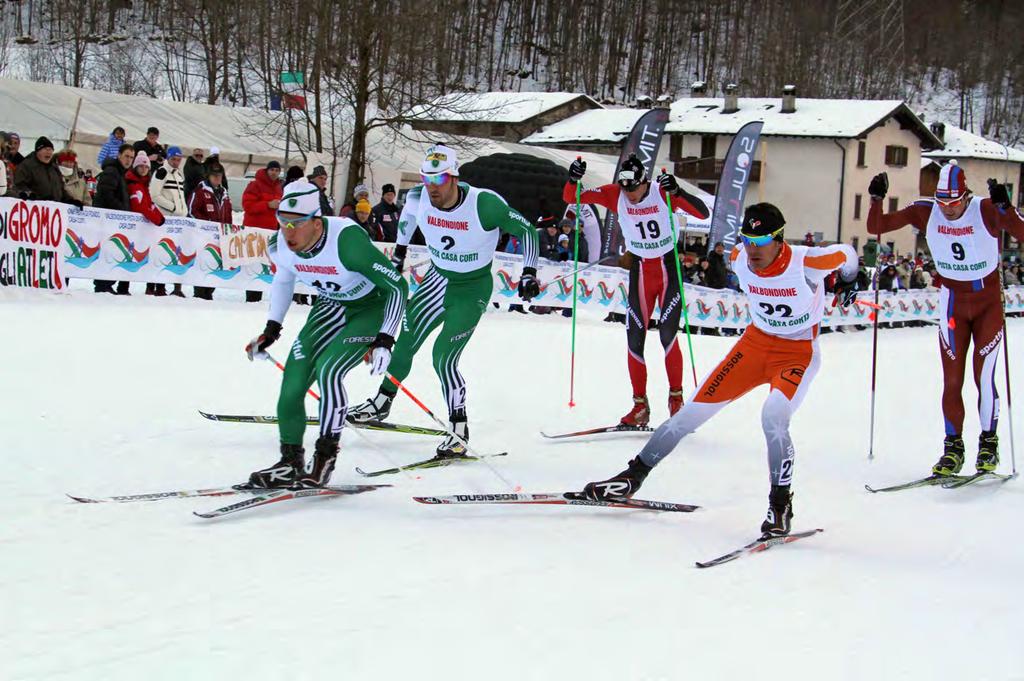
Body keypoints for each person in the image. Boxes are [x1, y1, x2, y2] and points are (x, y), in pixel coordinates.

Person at [581, 203, 859, 538]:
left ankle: (780, 505)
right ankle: (632, 477)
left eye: (761, 241)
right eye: (747, 239)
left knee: (773, 417)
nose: (752, 249)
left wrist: (850, 279)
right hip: (753, 347)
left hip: (796, 354)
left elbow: (847, 253)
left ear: (780, 239)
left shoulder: (806, 262)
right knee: (687, 416)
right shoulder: (740, 257)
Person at [348, 144, 541, 458]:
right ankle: (382, 402)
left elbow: (527, 230)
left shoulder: (484, 204)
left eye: (438, 180)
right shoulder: (418, 196)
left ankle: (459, 429)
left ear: (453, 177)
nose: (431, 187)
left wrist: (529, 272)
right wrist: (399, 253)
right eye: (426, 179)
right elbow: (408, 220)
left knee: (443, 356)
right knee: (405, 341)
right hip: (437, 281)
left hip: (471, 289)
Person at [243, 180, 408, 488]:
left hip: (369, 308)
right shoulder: (281, 244)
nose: (286, 231)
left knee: (329, 370)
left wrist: (385, 338)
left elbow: (397, 286)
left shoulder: (347, 241)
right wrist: (271, 329)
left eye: (294, 224)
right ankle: (290, 462)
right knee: (293, 382)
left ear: (316, 223)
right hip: (330, 306)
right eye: (281, 222)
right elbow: (283, 280)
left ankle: (324, 459)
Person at [868, 164, 1024, 476]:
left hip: (987, 303)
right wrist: (875, 198)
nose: (948, 210)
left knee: (984, 377)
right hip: (952, 303)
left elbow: (1020, 232)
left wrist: (1007, 209)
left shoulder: (985, 209)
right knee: (952, 381)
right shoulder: (927, 211)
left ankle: (988, 444)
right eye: (943, 203)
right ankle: (953, 448)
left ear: (966, 196)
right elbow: (877, 227)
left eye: (954, 203)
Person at [563, 154, 710, 426]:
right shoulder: (615, 194)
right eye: (625, 188)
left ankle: (676, 400)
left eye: (634, 188)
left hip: (667, 270)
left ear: (645, 182)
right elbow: (573, 198)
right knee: (633, 339)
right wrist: (573, 178)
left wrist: (677, 191)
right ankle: (639, 406)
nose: (629, 194)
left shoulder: (661, 191)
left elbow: (702, 212)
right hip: (640, 271)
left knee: (667, 334)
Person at [93, 143, 136, 294]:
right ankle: (102, 284)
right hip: (109, 218)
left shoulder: (122, 173)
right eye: (126, 156)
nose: (129, 160)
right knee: (108, 250)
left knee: (114, 251)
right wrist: (122, 210)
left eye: (131, 157)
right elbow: (106, 193)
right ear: (119, 155)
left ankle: (106, 282)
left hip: (117, 218)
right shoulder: (112, 171)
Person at [126, 151, 167, 296]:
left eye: (146, 167)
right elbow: (139, 206)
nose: (143, 169)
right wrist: (156, 219)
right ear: (136, 167)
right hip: (134, 226)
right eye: (141, 166)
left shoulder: (143, 184)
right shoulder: (133, 184)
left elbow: (150, 204)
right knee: (130, 255)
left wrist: (160, 218)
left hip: (143, 227)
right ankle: (123, 286)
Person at [188, 164, 232, 300]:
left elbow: (228, 213)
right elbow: (192, 211)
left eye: (219, 176)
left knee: (216, 264)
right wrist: (205, 225)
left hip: (220, 236)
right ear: (209, 176)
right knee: (204, 263)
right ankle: (200, 292)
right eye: (214, 176)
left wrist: (229, 229)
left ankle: (209, 291)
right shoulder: (200, 191)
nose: (217, 178)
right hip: (204, 236)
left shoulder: (224, 192)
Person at [12, 137, 82, 205]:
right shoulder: (26, 165)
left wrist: (70, 200)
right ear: (38, 151)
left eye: (51, 149)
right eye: (46, 149)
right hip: (34, 209)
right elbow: (19, 184)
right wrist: (31, 195)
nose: (49, 152)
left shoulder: (54, 168)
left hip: (53, 211)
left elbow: (61, 189)